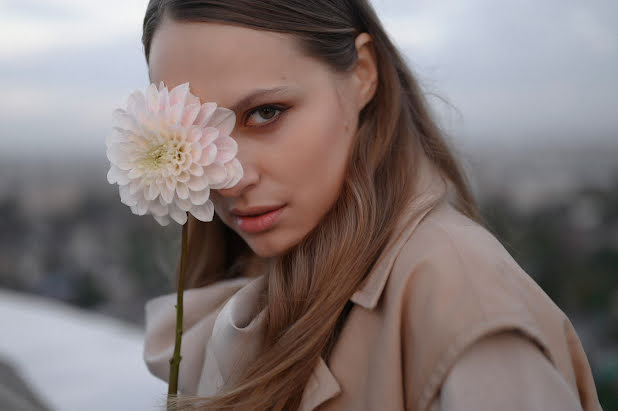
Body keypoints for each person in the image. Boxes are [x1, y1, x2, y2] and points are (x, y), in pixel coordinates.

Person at [140, 1, 603, 410]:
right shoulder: (253, 274)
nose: (228, 175)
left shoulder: (462, 302)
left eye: (266, 113)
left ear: (362, 74)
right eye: (195, 136)